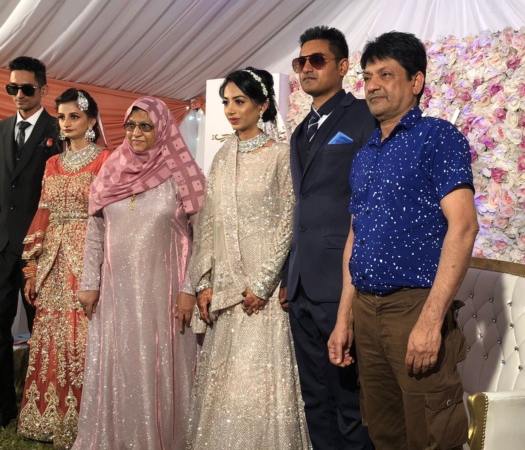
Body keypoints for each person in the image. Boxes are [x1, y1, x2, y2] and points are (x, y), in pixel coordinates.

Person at [328, 31, 479, 450]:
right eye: (367, 76)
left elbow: (464, 227)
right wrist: (344, 318)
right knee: (384, 433)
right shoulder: (365, 153)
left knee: (432, 434)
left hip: (414, 307)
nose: (372, 85)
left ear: (416, 81)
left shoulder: (438, 137)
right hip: (366, 309)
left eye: (385, 74)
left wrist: (431, 322)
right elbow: (356, 236)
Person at [181, 67, 310, 449]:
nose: (231, 110)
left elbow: (289, 221)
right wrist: (204, 282)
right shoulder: (222, 157)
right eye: (226, 102)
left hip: (263, 298)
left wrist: (264, 283)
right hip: (226, 293)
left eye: (240, 101)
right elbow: (209, 223)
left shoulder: (281, 156)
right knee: (227, 388)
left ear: (263, 104)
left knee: (259, 385)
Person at [72, 96, 205, 450]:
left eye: (146, 126)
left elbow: (203, 237)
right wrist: (89, 282)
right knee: (121, 363)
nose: (135, 133)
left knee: (157, 365)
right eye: (131, 125)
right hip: (116, 293)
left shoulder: (182, 172)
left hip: (164, 294)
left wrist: (189, 288)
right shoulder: (112, 170)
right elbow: (95, 232)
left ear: (163, 129)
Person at [285, 25, 374, 449]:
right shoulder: (301, 129)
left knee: (349, 400)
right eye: (300, 61)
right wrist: (290, 274)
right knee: (314, 398)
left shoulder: (363, 116)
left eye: (317, 60)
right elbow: (302, 207)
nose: (307, 68)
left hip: (341, 281)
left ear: (342, 66)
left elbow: (366, 201)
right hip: (302, 283)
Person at [17, 88, 110, 448]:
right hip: (52, 260)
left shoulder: (106, 160)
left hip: (88, 256)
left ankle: (86, 421)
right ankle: (47, 419)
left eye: (74, 116)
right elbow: (43, 213)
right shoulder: (52, 163)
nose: (66, 123)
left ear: (91, 120)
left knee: (82, 337)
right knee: (50, 336)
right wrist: (32, 267)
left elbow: (109, 217)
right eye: (61, 117)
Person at [0, 56, 61, 427]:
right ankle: (4, 408)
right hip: (3, 245)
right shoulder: (2, 128)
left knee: (43, 328)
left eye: (26, 88)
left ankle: (40, 406)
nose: (19, 95)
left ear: (43, 89)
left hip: (41, 248)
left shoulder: (59, 130)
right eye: (12, 87)